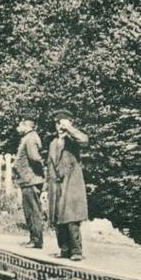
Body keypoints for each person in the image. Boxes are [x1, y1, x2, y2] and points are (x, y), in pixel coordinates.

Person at [46, 109, 89, 262]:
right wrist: (46, 188)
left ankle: (76, 250)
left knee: (71, 218)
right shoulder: (52, 143)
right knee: (57, 218)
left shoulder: (73, 141)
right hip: (56, 185)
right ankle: (64, 249)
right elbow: (50, 165)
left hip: (71, 183)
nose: (60, 126)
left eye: (62, 123)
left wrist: (69, 128)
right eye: (57, 123)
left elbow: (85, 140)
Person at [12, 112, 45, 249]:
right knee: (29, 210)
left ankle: (36, 240)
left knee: (33, 210)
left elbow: (34, 158)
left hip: (31, 179)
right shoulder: (29, 137)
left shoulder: (30, 138)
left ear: (26, 125)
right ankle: (34, 238)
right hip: (28, 179)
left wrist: (40, 171)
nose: (18, 127)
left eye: (20, 124)